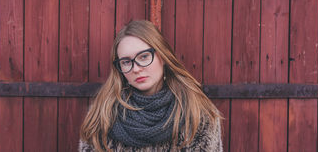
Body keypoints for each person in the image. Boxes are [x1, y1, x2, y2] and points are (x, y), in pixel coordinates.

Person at [79, 20, 223, 152]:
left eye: (144, 56)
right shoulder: (102, 114)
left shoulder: (198, 114)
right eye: (126, 62)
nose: (136, 69)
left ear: (163, 56)